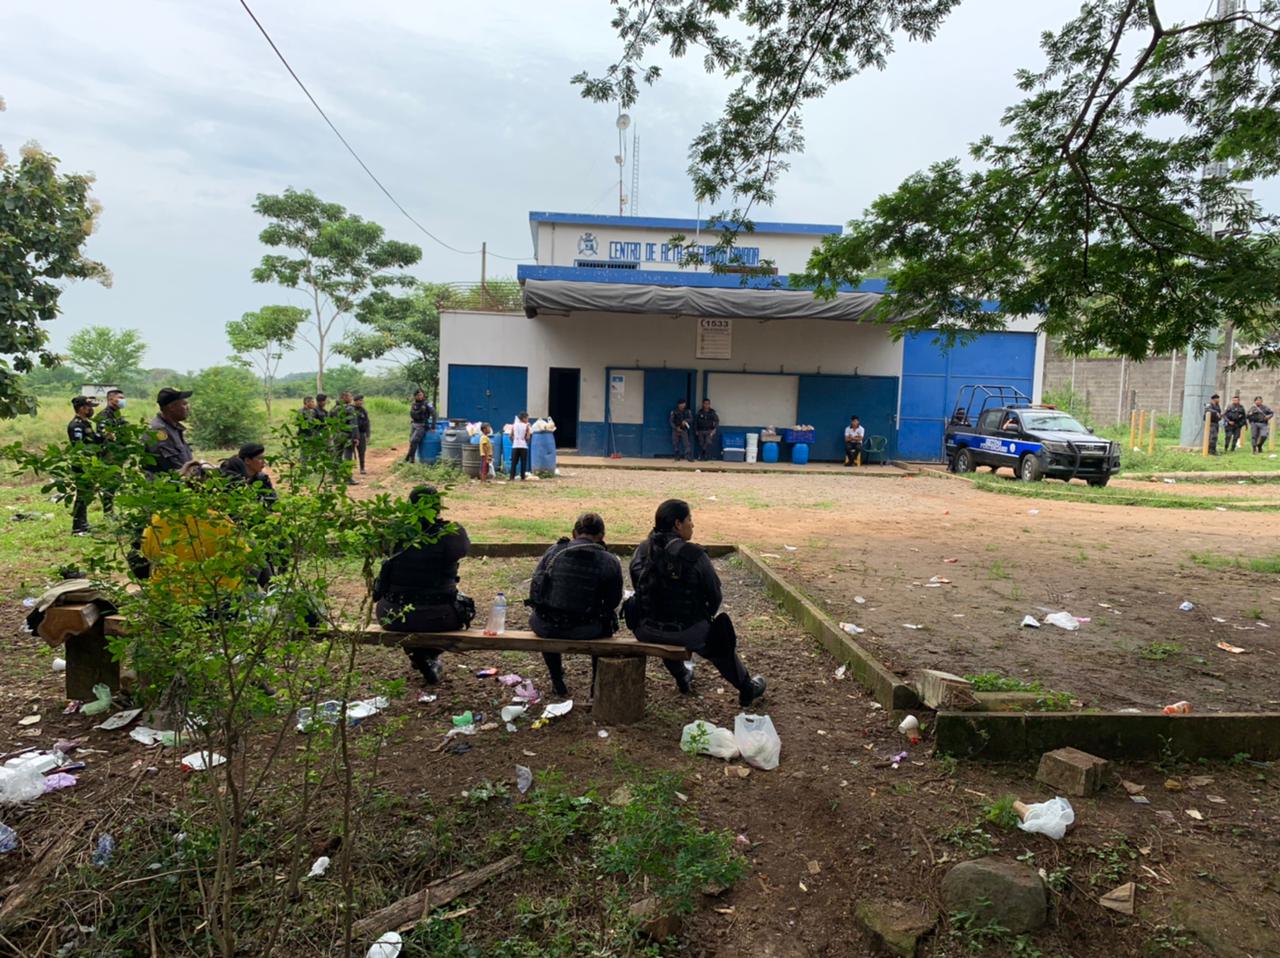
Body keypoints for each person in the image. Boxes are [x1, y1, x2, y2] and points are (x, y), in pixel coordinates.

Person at [626, 499, 767, 706]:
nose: (692, 524)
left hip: (646, 629)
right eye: (689, 519)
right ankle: (746, 687)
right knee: (720, 638)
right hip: (686, 631)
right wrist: (699, 617)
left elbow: (638, 586)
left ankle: (682, 676)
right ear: (677, 524)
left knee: (663, 619)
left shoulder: (643, 550)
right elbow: (714, 596)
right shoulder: (694, 555)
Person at [373, 485, 475, 684]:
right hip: (438, 616)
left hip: (391, 614)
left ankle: (418, 653)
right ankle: (427, 654)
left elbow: (381, 549)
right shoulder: (451, 533)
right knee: (466, 608)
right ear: (438, 507)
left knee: (415, 614)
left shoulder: (393, 530)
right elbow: (463, 550)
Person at [526, 512, 624, 697]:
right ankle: (596, 686)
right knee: (606, 622)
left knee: (545, 613)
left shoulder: (554, 551)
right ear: (602, 536)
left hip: (547, 626)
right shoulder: (609, 561)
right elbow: (613, 602)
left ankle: (557, 680)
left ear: (574, 533)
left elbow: (536, 592)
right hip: (587, 629)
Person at [66, 395, 103, 535]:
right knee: (82, 496)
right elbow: (80, 447)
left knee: (87, 495)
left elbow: (93, 439)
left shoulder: (86, 423)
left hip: (89, 464)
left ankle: (84, 524)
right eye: (89, 408)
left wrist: (105, 437)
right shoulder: (76, 425)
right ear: (82, 408)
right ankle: (77, 528)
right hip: (81, 465)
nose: (91, 410)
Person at [145, 387, 195, 476]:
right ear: (171, 407)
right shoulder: (158, 431)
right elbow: (173, 468)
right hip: (164, 486)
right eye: (184, 404)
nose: (188, 407)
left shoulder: (173, 428)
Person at [405, 389, 435, 463]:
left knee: (414, 441)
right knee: (411, 441)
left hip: (422, 425)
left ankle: (409, 459)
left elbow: (434, 414)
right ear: (415, 396)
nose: (420, 396)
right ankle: (410, 459)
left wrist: (433, 427)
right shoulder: (414, 404)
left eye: (421, 395)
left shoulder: (427, 404)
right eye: (418, 395)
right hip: (414, 424)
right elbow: (412, 414)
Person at [338, 391, 360, 483]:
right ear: (344, 398)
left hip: (337, 435)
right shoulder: (350, 409)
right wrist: (355, 437)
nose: (351, 398)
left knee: (337, 456)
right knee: (348, 457)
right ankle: (347, 478)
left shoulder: (334, 408)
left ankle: (335, 477)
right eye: (350, 396)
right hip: (347, 436)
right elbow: (353, 424)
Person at [509, 412, 531, 481]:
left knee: (514, 462)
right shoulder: (526, 426)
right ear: (524, 418)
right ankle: (523, 477)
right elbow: (528, 437)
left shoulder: (514, 425)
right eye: (527, 418)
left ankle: (511, 477)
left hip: (515, 446)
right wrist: (526, 442)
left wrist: (514, 442)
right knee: (523, 462)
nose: (528, 419)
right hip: (523, 446)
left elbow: (510, 436)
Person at [353, 395, 371, 474]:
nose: (360, 402)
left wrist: (368, 434)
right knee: (349, 452)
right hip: (352, 434)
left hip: (361, 433)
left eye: (361, 400)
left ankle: (362, 468)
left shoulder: (364, 411)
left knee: (362, 451)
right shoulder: (351, 410)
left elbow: (367, 423)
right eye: (358, 400)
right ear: (355, 401)